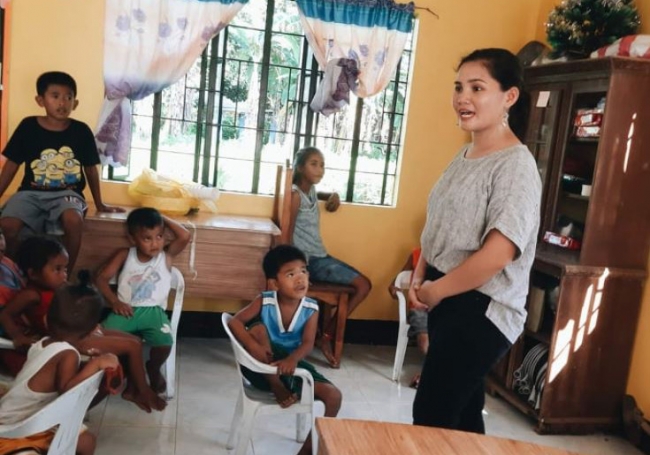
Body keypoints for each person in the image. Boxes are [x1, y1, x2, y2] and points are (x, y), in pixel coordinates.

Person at [409, 48, 541, 433]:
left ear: (509, 97)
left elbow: (498, 254)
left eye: (477, 87)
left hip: (483, 308)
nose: (462, 98)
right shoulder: (465, 153)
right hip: (449, 297)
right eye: (459, 87)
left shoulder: (516, 165)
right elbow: (437, 223)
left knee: (432, 415)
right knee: (463, 415)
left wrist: (435, 292)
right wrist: (420, 276)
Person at [0, 237, 166, 412]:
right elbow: (6, 314)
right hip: (66, 338)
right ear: (33, 273)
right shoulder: (32, 294)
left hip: (79, 331)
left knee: (136, 341)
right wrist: (18, 336)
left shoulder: (60, 288)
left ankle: (133, 388)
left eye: (65, 269)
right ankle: (144, 391)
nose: (64, 275)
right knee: (131, 346)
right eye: (57, 269)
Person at [0, 71, 123, 271]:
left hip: (68, 194)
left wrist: (99, 203)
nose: (62, 103)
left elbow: (91, 169)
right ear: (40, 100)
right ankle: (15, 273)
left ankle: (64, 273)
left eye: (68, 97)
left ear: (75, 103)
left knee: (73, 219)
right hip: (30, 193)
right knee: (8, 225)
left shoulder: (81, 131)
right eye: (55, 96)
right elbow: (11, 165)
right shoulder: (28, 126)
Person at [228, 244, 342, 455]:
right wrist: (252, 344)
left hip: (289, 365)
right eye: (291, 274)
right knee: (258, 330)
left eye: (303, 271)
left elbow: (308, 343)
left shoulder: (311, 308)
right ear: (274, 282)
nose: (300, 279)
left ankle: (308, 449)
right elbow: (234, 322)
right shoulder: (265, 300)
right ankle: (276, 385)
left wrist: (292, 360)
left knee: (334, 396)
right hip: (259, 367)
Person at [0, 273, 120, 455]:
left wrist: (83, 353)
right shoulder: (68, 355)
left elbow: (55, 360)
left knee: (87, 442)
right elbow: (67, 390)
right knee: (86, 443)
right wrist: (96, 364)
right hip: (13, 429)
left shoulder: (44, 343)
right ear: (94, 330)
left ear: (46, 319)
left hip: (30, 418)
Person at [287, 146, 372, 367]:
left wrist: (331, 195)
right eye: (314, 164)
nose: (320, 169)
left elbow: (317, 196)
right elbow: (287, 236)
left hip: (320, 256)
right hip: (311, 262)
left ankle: (323, 334)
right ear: (299, 167)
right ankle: (326, 336)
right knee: (364, 285)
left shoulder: (310, 191)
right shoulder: (295, 195)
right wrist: (298, 272)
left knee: (364, 285)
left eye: (322, 164)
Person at [96, 207, 190, 396]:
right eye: (147, 238)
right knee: (99, 339)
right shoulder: (125, 254)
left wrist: (159, 217)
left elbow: (185, 235)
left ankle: (153, 368)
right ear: (133, 239)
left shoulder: (166, 255)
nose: (155, 243)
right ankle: (115, 373)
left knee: (165, 344)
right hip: (125, 310)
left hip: (154, 312)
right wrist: (115, 302)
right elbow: (100, 279)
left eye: (160, 236)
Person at [388, 247, 428, 388]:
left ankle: (430, 374)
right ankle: (432, 374)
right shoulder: (417, 254)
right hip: (419, 308)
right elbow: (394, 284)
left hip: (443, 307)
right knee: (424, 341)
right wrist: (394, 288)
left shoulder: (453, 256)